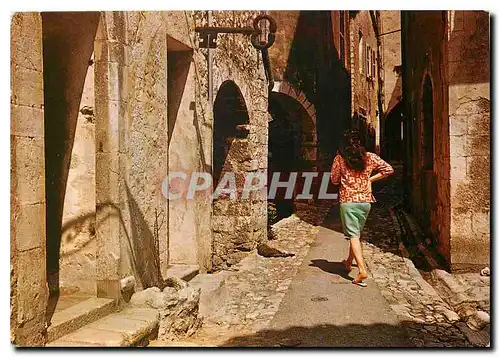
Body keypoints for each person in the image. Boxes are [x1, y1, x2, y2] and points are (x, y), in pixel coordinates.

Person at [330, 129, 394, 287]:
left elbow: (334, 180)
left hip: (348, 201)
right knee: (356, 234)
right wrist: (370, 180)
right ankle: (348, 263)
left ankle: (361, 270)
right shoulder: (370, 157)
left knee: (353, 235)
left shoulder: (340, 159)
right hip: (365, 201)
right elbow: (388, 170)